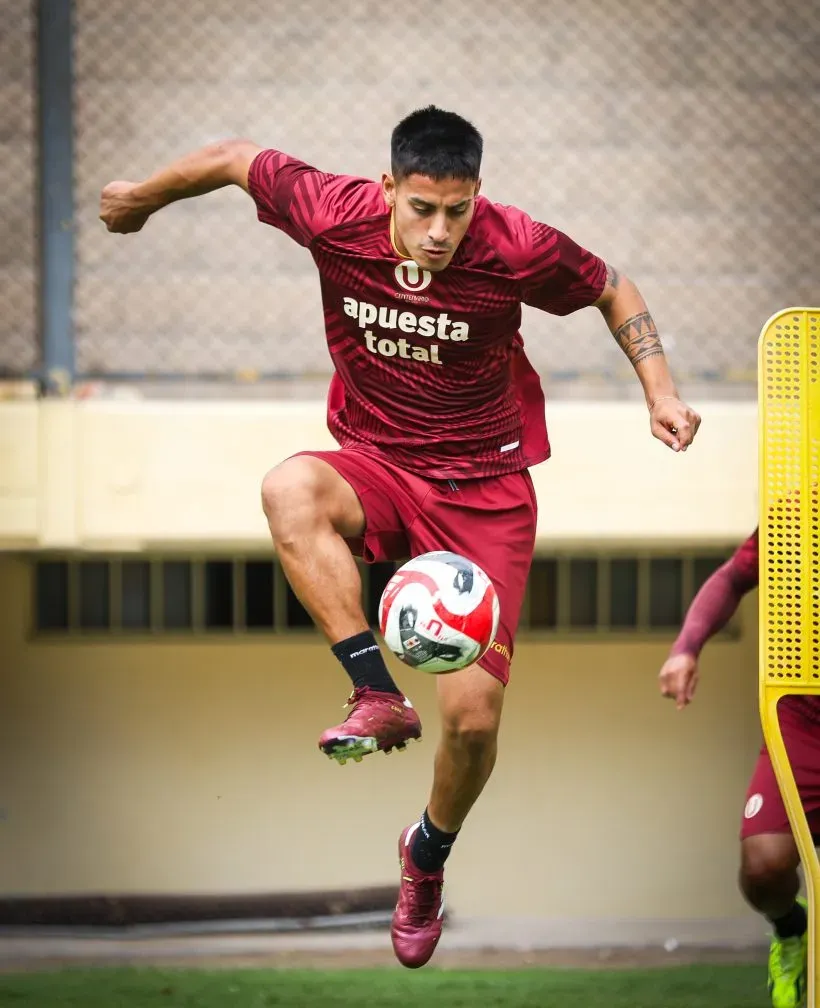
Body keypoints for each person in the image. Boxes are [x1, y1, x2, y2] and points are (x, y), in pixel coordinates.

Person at [101, 105, 701, 968]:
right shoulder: (334, 214)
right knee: (288, 488)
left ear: (478, 196)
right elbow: (233, 157)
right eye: (422, 208)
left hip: (485, 492)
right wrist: (142, 198)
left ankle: (426, 854)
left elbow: (614, 287)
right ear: (388, 188)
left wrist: (660, 391)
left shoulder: (515, 245)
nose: (439, 231)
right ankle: (374, 692)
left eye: (457, 210)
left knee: (474, 722)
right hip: (377, 463)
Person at [659, 527, 819, 1008]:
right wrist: (686, 648)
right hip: (802, 720)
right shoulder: (799, 513)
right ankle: (791, 930)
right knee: (763, 866)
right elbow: (732, 578)